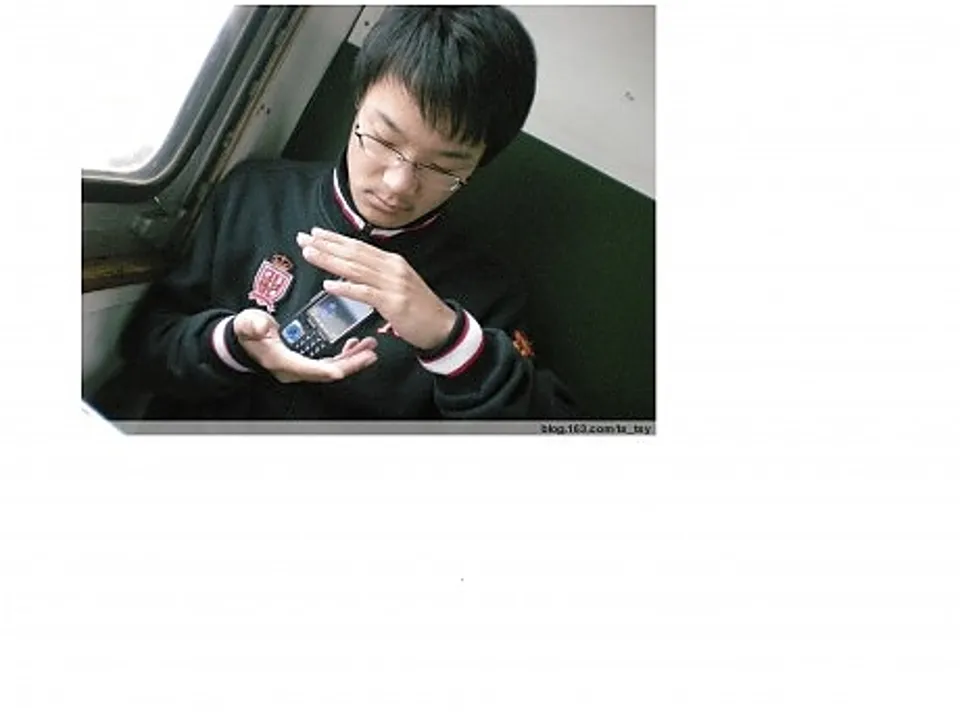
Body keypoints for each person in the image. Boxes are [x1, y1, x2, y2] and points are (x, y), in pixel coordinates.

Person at [120, 6, 577, 420]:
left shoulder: (490, 292)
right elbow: (146, 346)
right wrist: (232, 344)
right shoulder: (254, 194)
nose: (398, 184)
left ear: (479, 164)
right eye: (383, 139)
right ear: (358, 100)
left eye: (443, 167)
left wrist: (449, 338)